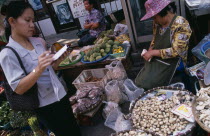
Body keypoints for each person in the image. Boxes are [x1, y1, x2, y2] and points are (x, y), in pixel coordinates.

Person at [0, 2, 81, 136]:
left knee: (74, 129)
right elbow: (18, 87)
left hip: (60, 94)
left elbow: (49, 70)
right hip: (45, 106)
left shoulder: (38, 42)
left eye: (33, 20)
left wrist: (57, 61)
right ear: (12, 21)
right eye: (27, 20)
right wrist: (38, 68)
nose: (32, 24)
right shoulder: (7, 54)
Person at [135, 0, 192, 90]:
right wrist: (150, 49)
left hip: (175, 62)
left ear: (161, 12)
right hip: (160, 59)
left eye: (154, 17)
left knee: (150, 83)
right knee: (141, 80)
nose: (154, 20)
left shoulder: (181, 24)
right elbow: (154, 39)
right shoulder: (157, 23)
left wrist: (153, 52)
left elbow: (176, 51)